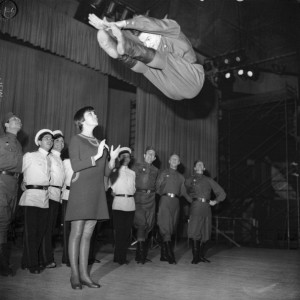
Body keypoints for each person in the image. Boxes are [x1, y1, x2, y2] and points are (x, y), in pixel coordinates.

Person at [88, 14, 205, 101]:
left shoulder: (174, 30)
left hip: (192, 81)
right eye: (146, 41)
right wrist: (106, 28)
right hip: (171, 90)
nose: (148, 43)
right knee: (146, 68)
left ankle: (126, 49)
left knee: (159, 59)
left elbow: (150, 24)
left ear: (156, 33)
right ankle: (121, 56)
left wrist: (122, 23)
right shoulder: (152, 51)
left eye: (148, 39)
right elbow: (125, 35)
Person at [65, 106, 120, 290]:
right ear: (81, 121)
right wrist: (96, 156)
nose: (95, 115)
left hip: (96, 191)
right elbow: (75, 165)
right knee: (77, 232)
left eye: (95, 113)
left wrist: (111, 160)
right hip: (81, 189)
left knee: (88, 235)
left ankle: (85, 276)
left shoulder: (99, 142)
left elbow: (105, 171)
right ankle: (74, 275)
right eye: (91, 114)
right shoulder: (76, 139)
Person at [19, 129, 54, 274]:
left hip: (44, 197)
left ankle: (26, 261)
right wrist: (22, 183)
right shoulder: (30, 156)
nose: (50, 140)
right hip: (31, 196)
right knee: (31, 232)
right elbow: (20, 172)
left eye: (51, 139)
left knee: (40, 231)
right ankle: (33, 264)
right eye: (46, 138)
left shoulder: (49, 159)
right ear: (39, 141)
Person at [185, 160, 226, 264]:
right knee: (195, 230)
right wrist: (193, 201)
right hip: (196, 207)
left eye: (202, 165)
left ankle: (201, 256)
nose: (200, 165)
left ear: (204, 168)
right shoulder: (190, 180)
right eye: (197, 164)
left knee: (205, 231)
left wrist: (215, 201)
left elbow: (222, 193)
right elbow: (184, 191)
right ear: (194, 168)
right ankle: (195, 257)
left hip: (207, 208)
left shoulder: (209, 180)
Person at [156, 153, 192, 264]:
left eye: (177, 159)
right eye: (173, 159)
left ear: (179, 162)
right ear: (169, 161)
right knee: (165, 225)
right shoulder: (163, 173)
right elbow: (157, 187)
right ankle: (170, 255)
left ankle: (163, 255)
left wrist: (194, 202)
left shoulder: (181, 177)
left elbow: (184, 193)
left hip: (176, 203)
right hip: (165, 201)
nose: (175, 160)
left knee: (171, 227)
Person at [0, 112, 23, 276]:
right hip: (1, 183)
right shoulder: (2, 141)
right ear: (6, 125)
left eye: (19, 120)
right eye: (14, 120)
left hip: (13, 185)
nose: (18, 121)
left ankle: (4, 263)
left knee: (7, 224)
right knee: (2, 223)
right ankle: (3, 266)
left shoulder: (18, 144)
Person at [41, 130, 65, 269]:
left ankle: (45, 257)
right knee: (47, 228)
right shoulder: (48, 157)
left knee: (51, 228)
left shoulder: (60, 159)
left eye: (62, 141)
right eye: (57, 141)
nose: (60, 143)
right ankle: (46, 258)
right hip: (48, 194)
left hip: (57, 195)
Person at [131, 146, 158, 264]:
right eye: (149, 154)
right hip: (139, 198)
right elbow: (131, 181)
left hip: (151, 199)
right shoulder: (136, 167)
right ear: (144, 155)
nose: (150, 156)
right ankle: (141, 256)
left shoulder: (156, 170)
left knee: (149, 225)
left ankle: (139, 255)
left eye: (153, 155)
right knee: (141, 224)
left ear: (155, 158)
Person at [109, 147, 136, 265]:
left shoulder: (133, 173)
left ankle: (122, 256)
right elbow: (110, 185)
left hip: (130, 204)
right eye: (123, 156)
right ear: (119, 158)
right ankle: (118, 257)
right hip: (118, 203)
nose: (126, 158)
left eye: (128, 156)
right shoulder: (114, 171)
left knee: (126, 233)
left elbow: (133, 188)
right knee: (119, 232)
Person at [61, 156, 73, 267]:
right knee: (67, 228)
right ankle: (66, 257)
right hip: (67, 197)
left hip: (81, 198)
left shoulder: (86, 161)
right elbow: (62, 178)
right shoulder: (66, 162)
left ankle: (75, 257)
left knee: (77, 230)